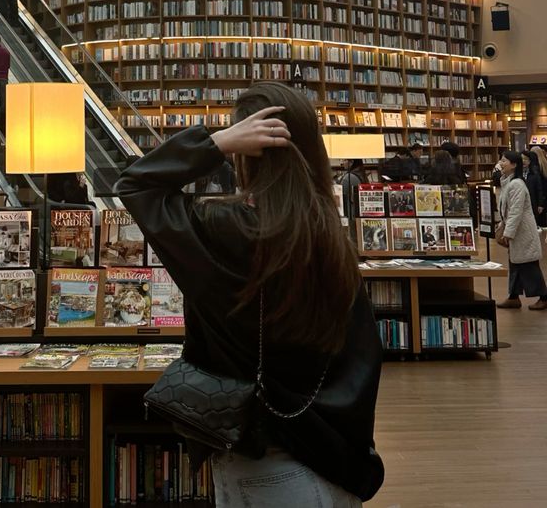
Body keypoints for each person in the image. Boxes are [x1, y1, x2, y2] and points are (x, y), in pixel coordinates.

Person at [116, 82, 384, 505]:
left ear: (244, 152)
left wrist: (215, 143)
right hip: (332, 464)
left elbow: (135, 186)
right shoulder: (331, 235)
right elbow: (364, 354)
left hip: (259, 464)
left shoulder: (223, 228)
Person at [495, 150, 547, 311]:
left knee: (529, 265)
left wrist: (507, 233)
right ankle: (513, 296)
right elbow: (506, 210)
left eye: (504, 161)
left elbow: (516, 212)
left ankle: (544, 296)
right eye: (501, 160)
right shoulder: (508, 182)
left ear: (514, 165)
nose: (501, 163)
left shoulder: (517, 184)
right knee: (516, 264)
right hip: (516, 232)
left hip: (522, 233)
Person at [520, 149, 545, 227]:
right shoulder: (517, 174)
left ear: (530, 161)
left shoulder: (535, 174)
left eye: (525, 159)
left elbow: (539, 190)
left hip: (533, 202)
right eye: (522, 159)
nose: (523, 161)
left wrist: (540, 204)